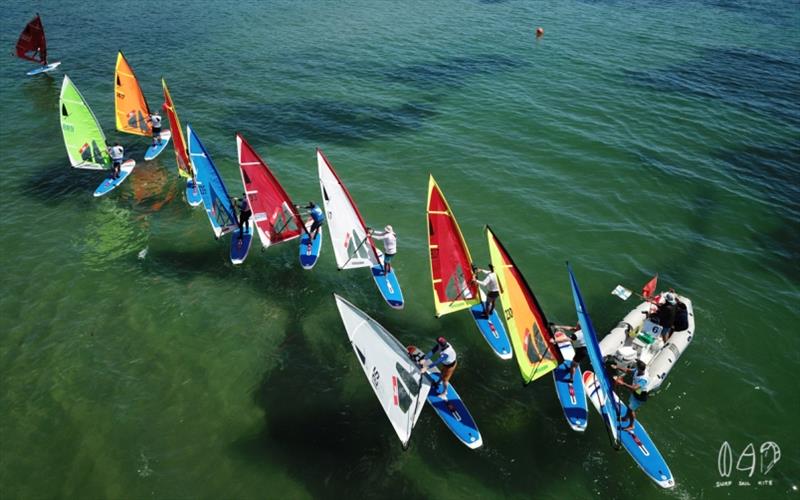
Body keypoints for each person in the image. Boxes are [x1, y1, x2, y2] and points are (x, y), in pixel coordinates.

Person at [614, 360, 648, 431]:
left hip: (640, 396)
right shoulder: (637, 370)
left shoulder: (643, 379)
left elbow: (635, 388)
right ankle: (626, 418)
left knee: (631, 409)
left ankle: (632, 425)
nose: (635, 367)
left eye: (636, 366)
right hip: (636, 392)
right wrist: (617, 367)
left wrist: (623, 383)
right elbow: (628, 370)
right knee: (629, 405)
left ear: (639, 368)